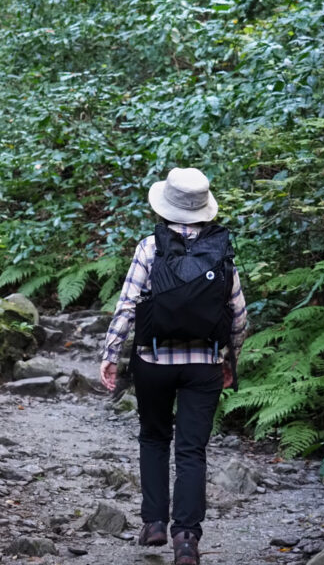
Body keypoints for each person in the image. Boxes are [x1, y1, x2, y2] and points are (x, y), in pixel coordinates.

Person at [99, 167, 248, 565]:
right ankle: (186, 539)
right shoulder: (221, 251)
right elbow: (238, 315)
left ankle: (153, 524)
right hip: (204, 365)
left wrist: (111, 355)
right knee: (192, 450)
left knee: (153, 437)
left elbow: (127, 305)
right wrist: (228, 358)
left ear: (166, 205)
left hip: (153, 359)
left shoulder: (150, 247)